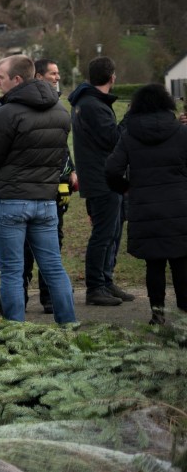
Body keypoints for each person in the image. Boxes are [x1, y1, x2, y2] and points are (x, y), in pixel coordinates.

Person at [0, 54, 76, 324]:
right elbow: (59, 157)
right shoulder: (60, 111)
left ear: (17, 79)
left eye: (1, 77)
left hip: (11, 202)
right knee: (54, 268)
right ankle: (69, 325)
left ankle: (15, 333)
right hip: (46, 203)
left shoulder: (5, 114)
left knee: (12, 272)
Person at [105, 83, 187, 324]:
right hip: (180, 207)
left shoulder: (129, 136)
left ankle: (158, 315)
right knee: (181, 262)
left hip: (145, 207)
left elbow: (111, 169)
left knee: (154, 264)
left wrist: (125, 189)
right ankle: (183, 312)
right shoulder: (182, 133)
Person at [70, 56, 133, 306]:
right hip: (101, 179)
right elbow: (114, 139)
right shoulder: (92, 105)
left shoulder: (89, 102)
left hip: (105, 178)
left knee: (114, 232)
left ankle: (106, 281)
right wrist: (129, 117)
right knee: (103, 234)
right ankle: (95, 287)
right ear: (112, 77)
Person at [22, 58, 78, 313]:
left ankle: (48, 297)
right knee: (25, 246)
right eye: (53, 73)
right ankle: (20, 296)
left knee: (52, 243)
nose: (57, 77)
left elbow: (61, 144)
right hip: (31, 188)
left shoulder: (58, 105)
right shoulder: (26, 106)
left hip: (57, 189)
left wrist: (71, 169)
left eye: (58, 73)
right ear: (39, 76)